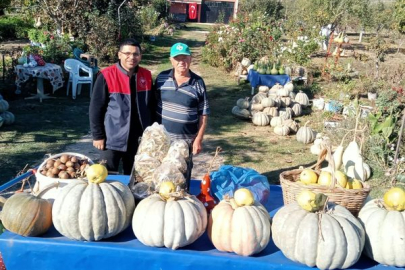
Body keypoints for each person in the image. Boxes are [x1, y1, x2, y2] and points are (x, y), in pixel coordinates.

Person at [89, 38, 154, 175]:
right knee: (106, 176)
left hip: (138, 138)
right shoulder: (106, 75)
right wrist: (98, 136)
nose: (132, 57)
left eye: (136, 54)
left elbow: (151, 106)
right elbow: (96, 109)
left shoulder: (146, 75)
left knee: (134, 176)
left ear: (140, 56)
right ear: (119, 55)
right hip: (112, 137)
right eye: (127, 53)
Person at [154, 42, 210, 189]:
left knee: (181, 180)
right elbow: (152, 105)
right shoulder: (161, 78)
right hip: (162, 141)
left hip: (185, 143)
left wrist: (198, 139)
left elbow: (203, 114)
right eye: (177, 58)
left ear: (191, 59)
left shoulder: (198, 83)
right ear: (171, 60)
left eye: (185, 58)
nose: (182, 62)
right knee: (160, 177)